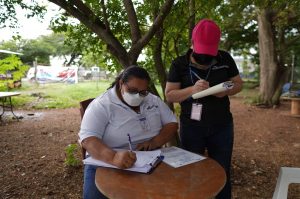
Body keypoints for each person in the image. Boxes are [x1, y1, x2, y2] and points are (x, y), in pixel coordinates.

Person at [165, 19, 243, 199]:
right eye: (201, 54)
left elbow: (238, 84)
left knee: (222, 169)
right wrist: (192, 90)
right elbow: (170, 95)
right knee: (192, 170)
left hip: (222, 126)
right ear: (192, 44)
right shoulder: (179, 64)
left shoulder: (225, 58)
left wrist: (225, 90)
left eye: (209, 55)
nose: (205, 61)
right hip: (192, 126)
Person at [79, 65, 178, 199]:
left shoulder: (152, 100)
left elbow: (172, 123)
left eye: (142, 92)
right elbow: (88, 140)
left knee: (172, 190)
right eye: (132, 90)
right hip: (106, 161)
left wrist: (154, 142)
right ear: (121, 83)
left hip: (149, 158)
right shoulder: (102, 104)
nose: (138, 96)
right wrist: (114, 158)